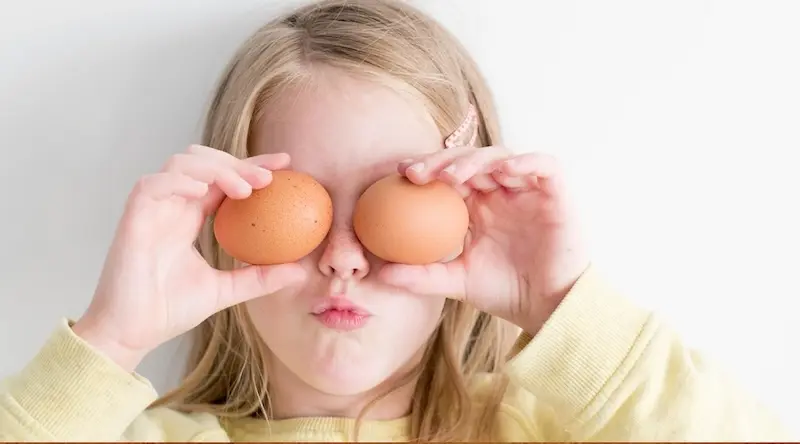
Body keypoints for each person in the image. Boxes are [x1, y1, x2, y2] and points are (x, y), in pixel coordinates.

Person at [0, 0, 791, 441]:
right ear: (224, 218)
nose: (345, 257)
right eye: (299, 206)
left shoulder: (556, 430)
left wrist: (562, 308)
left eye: (394, 202)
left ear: (466, 216)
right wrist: (111, 339)